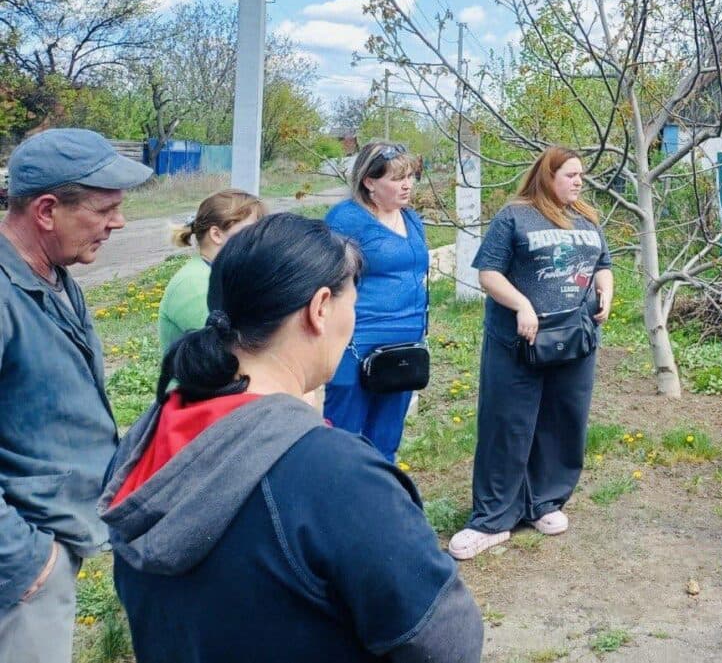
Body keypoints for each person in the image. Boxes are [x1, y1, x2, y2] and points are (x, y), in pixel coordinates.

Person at [99, 213, 482, 663]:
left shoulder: (149, 437)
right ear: (320, 308)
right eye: (352, 304)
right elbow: (444, 640)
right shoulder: (336, 475)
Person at [0, 128, 152, 662]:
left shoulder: (57, 275)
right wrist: (24, 560)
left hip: (49, 542)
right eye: (105, 208)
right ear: (46, 210)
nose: (120, 222)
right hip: (20, 566)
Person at [448, 146, 613, 560]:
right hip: (519, 341)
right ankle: (491, 519)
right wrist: (521, 304)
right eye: (571, 175)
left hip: (575, 338)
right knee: (507, 424)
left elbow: (602, 262)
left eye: (581, 176)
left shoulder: (587, 217)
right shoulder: (514, 216)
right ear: (547, 175)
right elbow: (488, 274)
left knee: (563, 422)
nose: (579, 182)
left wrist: (606, 289)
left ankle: (545, 502)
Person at [323, 142, 428, 462]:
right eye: (397, 178)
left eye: (410, 176)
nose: (407, 184)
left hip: (404, 347)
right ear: (369, 182)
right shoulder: (346, 219)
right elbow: (324, 279)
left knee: (386, 439)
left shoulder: (411, 219)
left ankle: (380, 503)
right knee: (344, 438)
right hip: (355, 347)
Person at [158, 189, 267, 353]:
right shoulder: (195, 283)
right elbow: (236, 350)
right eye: (251, 231)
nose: (260, 239)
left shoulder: (221, 275)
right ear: (216, 234)